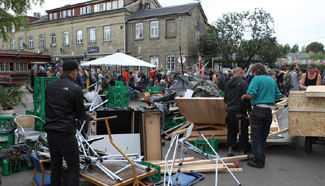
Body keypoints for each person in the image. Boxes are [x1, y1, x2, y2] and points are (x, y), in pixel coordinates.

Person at [44, 60, 90, 186]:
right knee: (73, 167)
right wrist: (88, 116)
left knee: (56, 165)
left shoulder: (50, 86)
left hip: (51, 132)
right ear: (74, 72)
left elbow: (49, 107)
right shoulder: (75, 89)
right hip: (66, 133)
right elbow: (81, 114)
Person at [242, 63, 282, 168]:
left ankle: (258, 161)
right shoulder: (272, 80)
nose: (252, 74)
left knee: (256, 137)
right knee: (263, 137)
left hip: (258, 110)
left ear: (255, 71)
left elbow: (250, 95)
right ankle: (260, 156)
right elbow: (278, 95)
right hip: (268, 111)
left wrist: (243, 96)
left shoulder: (256, 79)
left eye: (252, 72)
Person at [224, 67, 250, 157]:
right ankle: (242, 151)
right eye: (242, 74)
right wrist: (249, 110)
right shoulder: (243, 83)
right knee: (242, 132)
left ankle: (230, 150)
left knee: (231, 131)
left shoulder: (228, 83)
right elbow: (246, 98)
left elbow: (225, 99)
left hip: (230, 111)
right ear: (240, 73)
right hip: (240, 111)